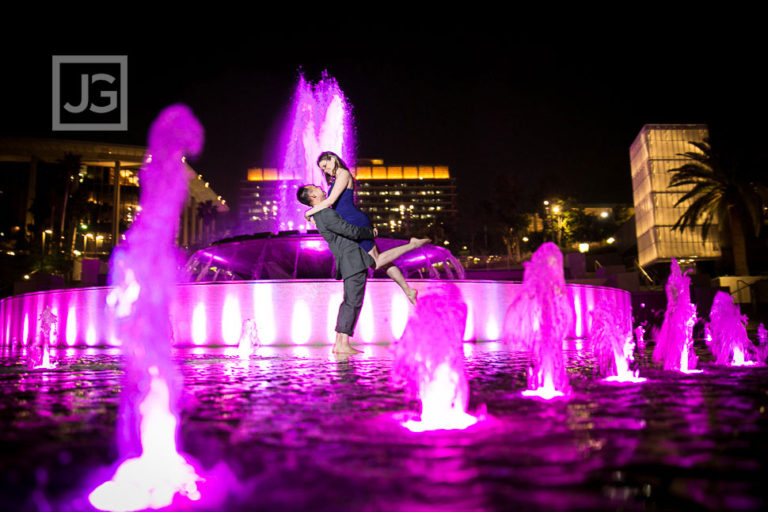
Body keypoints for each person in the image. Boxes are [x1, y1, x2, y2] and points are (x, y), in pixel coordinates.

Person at [297, 184, 428, 354]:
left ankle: (340, 343)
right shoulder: (325, 213)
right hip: (352, 259)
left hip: (351, 258)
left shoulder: (319, 214)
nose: (318, 186)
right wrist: (369, 233)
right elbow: (348, 231)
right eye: (314, 187)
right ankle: (342, 344)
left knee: (351, 299)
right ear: (313, 195)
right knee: (353, 301)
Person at [303, 151, 429, 305]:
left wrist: (309, 212)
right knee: (382, 262)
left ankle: (413, 244)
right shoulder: (336, 179)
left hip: (356, 222)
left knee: (375, 262)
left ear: (333, 159)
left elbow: (330, 201)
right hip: (350, 223)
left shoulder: (343, 174)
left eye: (326, 166)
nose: (326, 170)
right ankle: (408, 291)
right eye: (323, 169)